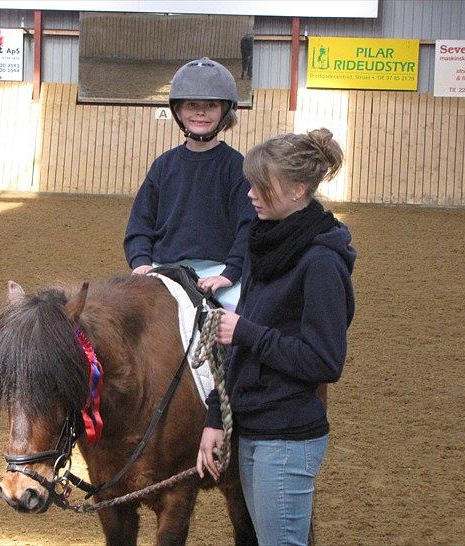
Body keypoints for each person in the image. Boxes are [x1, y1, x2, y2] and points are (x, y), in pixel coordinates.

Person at [196, 128, 356, 546]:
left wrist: (247, 333)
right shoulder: (263, 245)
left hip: (286, 439)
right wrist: (215, 417)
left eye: (261, 186)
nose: (250, 194)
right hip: (252, 428)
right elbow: (235, 349)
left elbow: (325, 362)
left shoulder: (321, 263)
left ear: (298, 189)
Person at [123, 58, 254, 310]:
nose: (201, 112)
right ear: (179, 110)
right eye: (192, 105)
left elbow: (248, 228)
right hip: (164, 269)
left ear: (225, 111)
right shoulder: (163, 165)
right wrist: (141, 261)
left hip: (218, 271)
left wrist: (230, 273)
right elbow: (140, 222)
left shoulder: (237, 167)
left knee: (244, 316)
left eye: (211, 105)